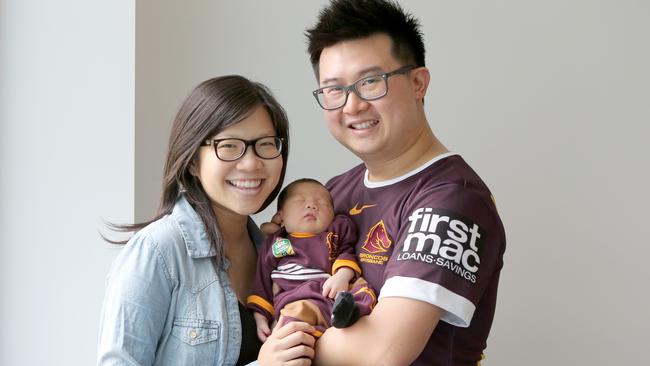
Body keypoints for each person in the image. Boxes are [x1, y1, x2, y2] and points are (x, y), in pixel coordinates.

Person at [293, 0, 506, 365]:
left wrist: (284, 346)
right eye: (333, 89)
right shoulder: (333, 193)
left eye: (371, 81)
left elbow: (382, 352)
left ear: (418, 82)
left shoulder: (453, 201)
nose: (352, 105)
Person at [97, 75, 316, 366]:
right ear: (191, 161)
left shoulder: (274, 250)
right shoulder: (158, 251)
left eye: (265, 144)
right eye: (228, 146)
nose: (251, 163)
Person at [247, 178, 376, 341]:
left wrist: (342, 275)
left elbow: (346, 253)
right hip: (297, 296)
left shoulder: (333, 235)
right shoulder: (276, 243)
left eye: (322, 203)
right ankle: (313, 335)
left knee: (363, 289)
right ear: (281, 216)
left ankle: (347, 314)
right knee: (294, 317)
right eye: (300, 201)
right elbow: (261, 282)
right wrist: (260, 318)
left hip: (332, 290)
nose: (312, 205)